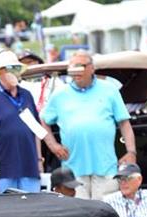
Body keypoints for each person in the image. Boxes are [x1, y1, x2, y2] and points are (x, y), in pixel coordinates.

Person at [40, 50, 137, 200]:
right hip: (73, 170)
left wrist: (131, 151)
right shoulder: (60, 94)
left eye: (80, 66)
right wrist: (53, 145)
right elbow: (44, 120)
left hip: (106, 167)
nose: (76, 71)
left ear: (92, 68)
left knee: (107, 212)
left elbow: (124, 122)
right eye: (72, 67)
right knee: (80, 216)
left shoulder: (109, 90)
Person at [0, 51, 55, 193]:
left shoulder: (27, 95)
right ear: (1, 72)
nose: (14, 73)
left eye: (16, 68)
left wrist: (39, 160)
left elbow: (36, 130)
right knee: (6, 211)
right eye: (10, 68)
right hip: (3, 167)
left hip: (29, 164)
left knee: (32, 208)